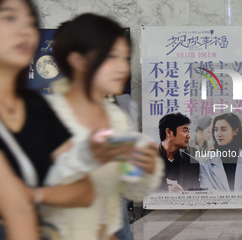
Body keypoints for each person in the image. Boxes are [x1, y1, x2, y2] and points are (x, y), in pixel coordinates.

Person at [0, 0, 129, 238]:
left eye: (31, 20)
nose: (26, 30)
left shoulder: (35, 109)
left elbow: (84, 191)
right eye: (10, 17)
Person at [42, 13, 163, 240]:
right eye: (111, 57)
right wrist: (87, 157)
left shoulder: (116, 117)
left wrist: (144, 170)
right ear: (77, 61)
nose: (122, 67)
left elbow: (126, 187)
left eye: (125, 57)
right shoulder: (47, 114)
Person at [199, 113, 242, 192]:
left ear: (235, 131)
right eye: (216, 130)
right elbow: (208, 190)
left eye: (223, 129)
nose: (218, 134)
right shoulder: (204, 161)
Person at [158, 112, 200, 192]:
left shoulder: (193, 164)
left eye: (189, 131)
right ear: (169, 132)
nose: (188, 136)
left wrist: (183, 194)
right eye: (185, 131)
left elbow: (195, 193)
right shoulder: (147, 159)